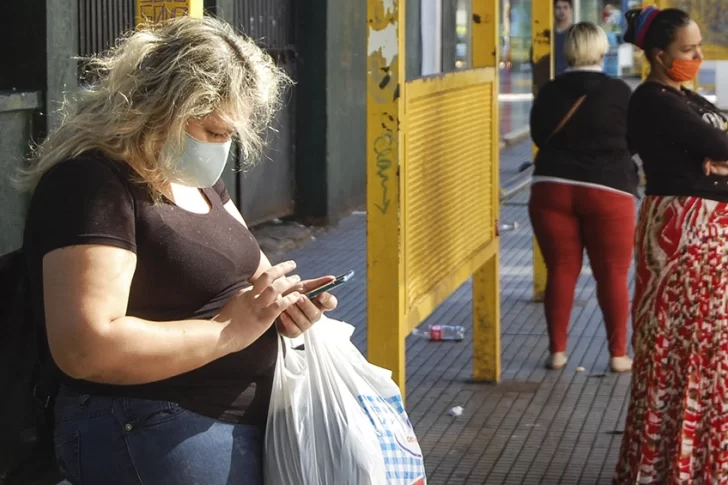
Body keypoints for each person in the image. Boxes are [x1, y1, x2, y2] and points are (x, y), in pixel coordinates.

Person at [18, 16, 338, 485]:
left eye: (231, 134)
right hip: (153, 429)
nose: (223, 148)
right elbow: (86, 347)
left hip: (233, 427)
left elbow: (256, 288)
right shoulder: (92, 185)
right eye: (213, 132)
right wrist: (227, 332)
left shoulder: (199, 184)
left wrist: (286, 308)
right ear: (158, 109)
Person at [614, 7, 728, 482]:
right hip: (683, 236)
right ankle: (674, 468)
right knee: (683, 347)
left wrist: (716, 153)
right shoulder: (653, 101)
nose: (698, 56)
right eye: (688, 49)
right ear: (658, 55)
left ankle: (700, 465)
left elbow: (718, 142)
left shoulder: (684, 97)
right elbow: (719, 143)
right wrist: (716, 153)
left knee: (709, 348)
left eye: (699, 46)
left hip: (706, 236)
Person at [529, 22, 637, 373]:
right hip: (608, 188)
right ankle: (618, 354)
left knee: (560, 269)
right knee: (612, 274)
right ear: (602, 50)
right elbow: (632, 140)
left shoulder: (548, 91)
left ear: (567, 50)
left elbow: (539, 134)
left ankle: (557, 352)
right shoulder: (620, 92)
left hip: (551, 186)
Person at [554, 0, 574, 75]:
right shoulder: (547, 34)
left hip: (571, 78)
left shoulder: (576, 32)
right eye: (558, 8)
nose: (562, 11)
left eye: (565, 7)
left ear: (570, 9)